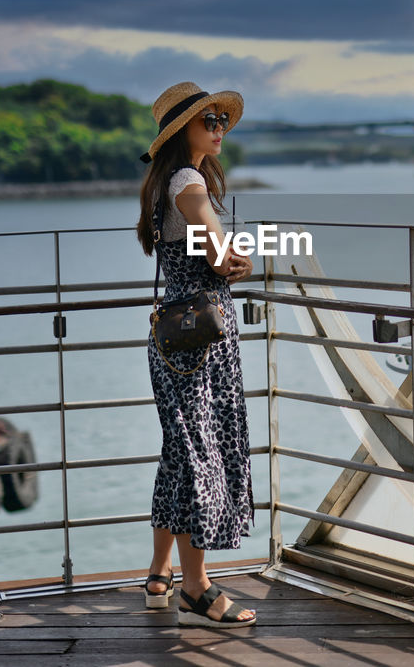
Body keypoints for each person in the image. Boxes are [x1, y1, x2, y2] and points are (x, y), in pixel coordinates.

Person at [135, 81, 256, 628]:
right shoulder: (188, 181)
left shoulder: (167, 183)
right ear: (181, 130)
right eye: (208, 120)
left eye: (221, 119)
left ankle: (159, 575)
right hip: (202, 340)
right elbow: (221, 254)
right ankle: (196, 586)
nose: (218, 127)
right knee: (199, 454)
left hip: (176, 336)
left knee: (180, 450)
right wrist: (238, 258)